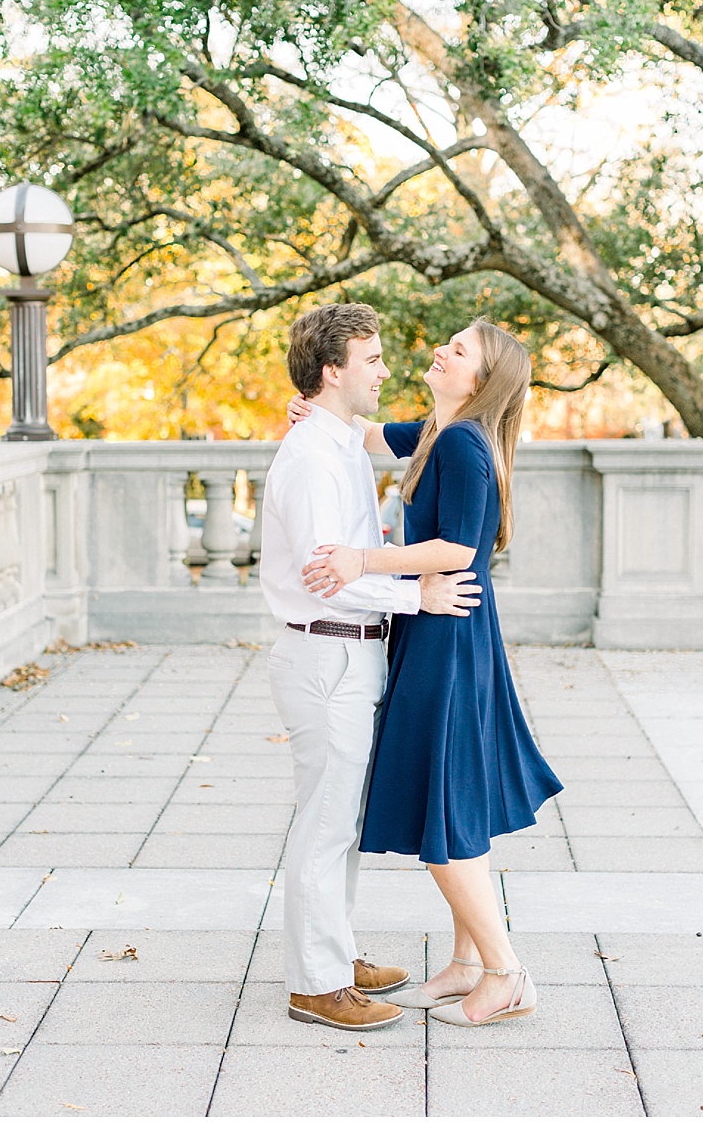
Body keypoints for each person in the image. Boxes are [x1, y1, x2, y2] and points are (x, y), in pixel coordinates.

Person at [292, 317, 564, 1027]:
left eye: (459, 350)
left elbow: (459, 550)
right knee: (453, 803)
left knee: (444, 816)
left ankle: (506, 974)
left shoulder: (467, 446)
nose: (440, 351)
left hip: (449, 633)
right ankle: (467, 965)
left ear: (482, 379)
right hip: (432, 627)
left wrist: (362, 560)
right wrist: (314, 413)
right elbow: (370, 434)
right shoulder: (436, 433)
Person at [260, 302, 485, 1032]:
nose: (387, 371)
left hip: (352, 649)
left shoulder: (337, 443)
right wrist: (416, 593)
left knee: (341, 819)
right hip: (327, 647)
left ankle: (335, 952)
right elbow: (331, 573)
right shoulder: (311, 458)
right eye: (373, 360)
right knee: (325, 822)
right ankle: (316, 983)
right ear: (334, 372)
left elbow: (387, 454)